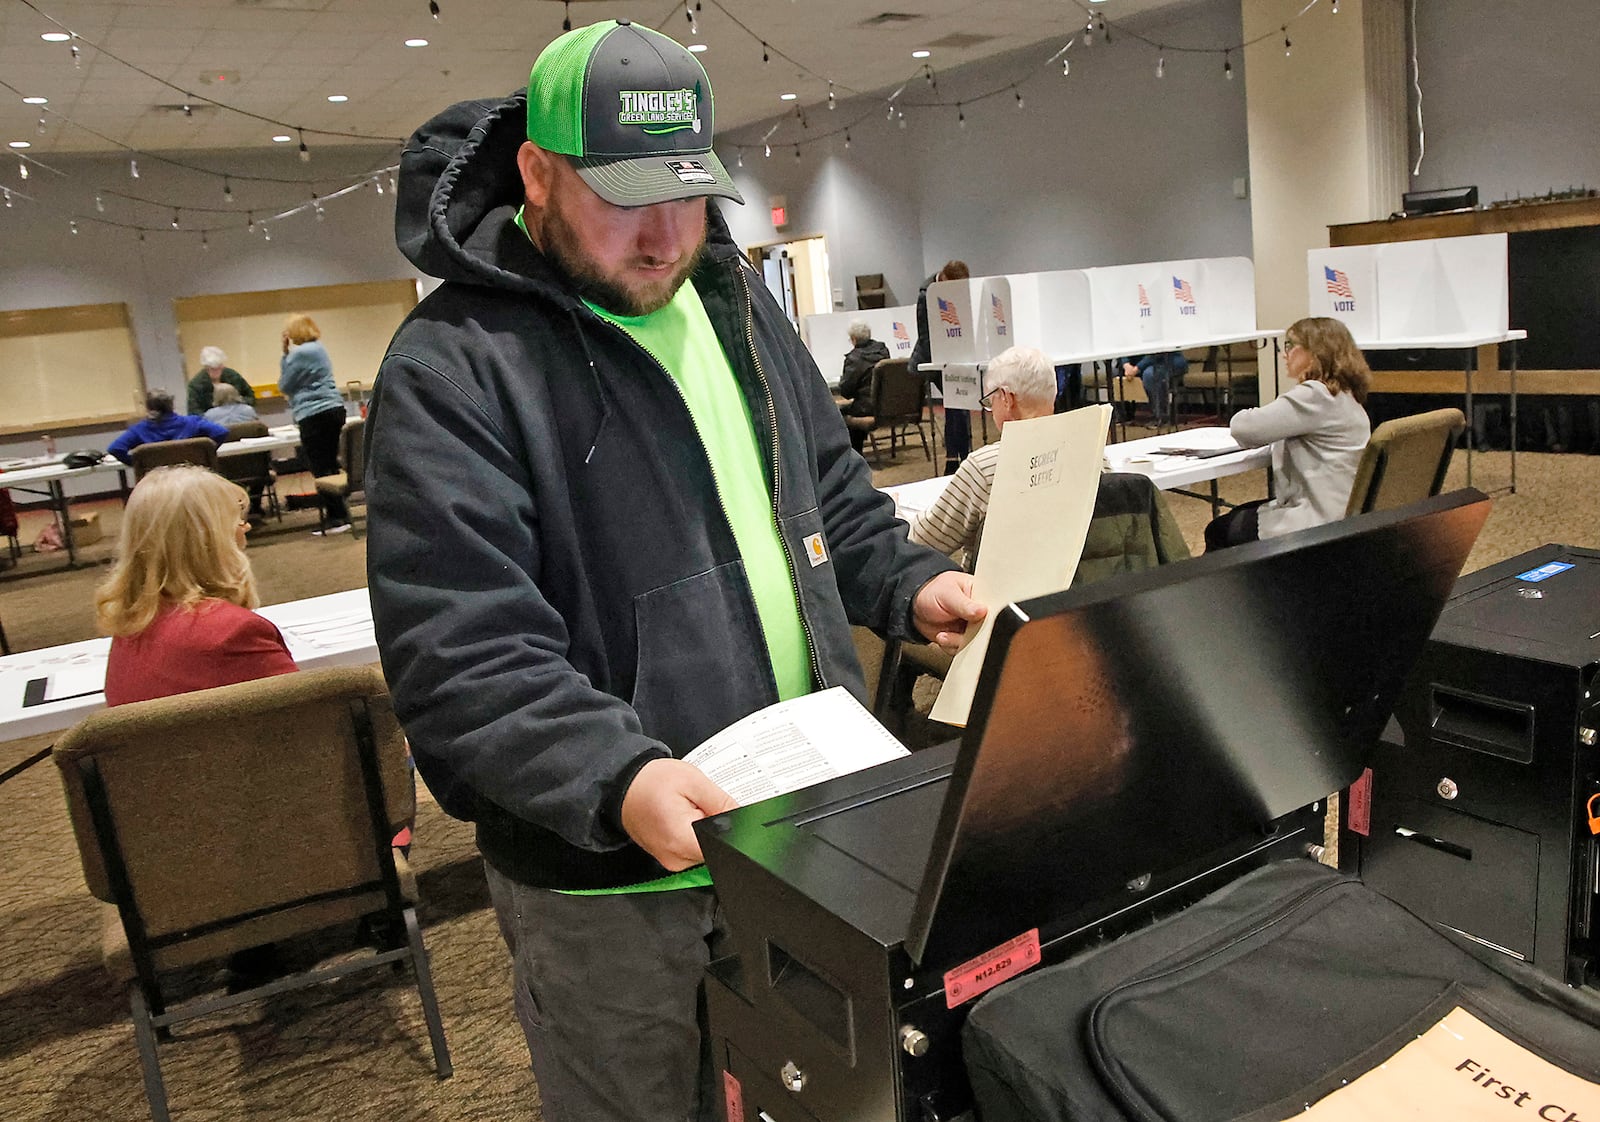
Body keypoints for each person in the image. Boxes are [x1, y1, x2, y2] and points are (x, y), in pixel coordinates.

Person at [364, 20, 983, 1122]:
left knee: (825, 1095)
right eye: (623, 198)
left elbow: (826, 495)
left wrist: (905, 580)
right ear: (537, 175)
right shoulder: (453, 367)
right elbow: (461, 650)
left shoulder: (732, 301)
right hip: (609, 881)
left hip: (801, 829)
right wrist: (617, 775)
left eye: (687, 196)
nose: (662, 238)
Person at [96, 465, 296, 706]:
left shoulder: (132, 622)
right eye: (237, 520)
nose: (247, 527)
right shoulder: (233, 632)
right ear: (209, 537)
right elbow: (312, 720)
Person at [1203, 317, 1372, 550]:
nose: (1285, 354)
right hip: (1345, 510)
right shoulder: (1345, 395)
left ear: (1316, 352)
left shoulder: (1315, 395)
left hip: (1318, 519)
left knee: (1219, 530)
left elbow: (1245, 429)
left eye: (1291, 345)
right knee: (1240, 514)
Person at [906, 345, 1058, 569]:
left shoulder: (985, 468)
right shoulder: (1092, 453)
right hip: (1080, 593)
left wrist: (896, 517)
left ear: (1006, 399)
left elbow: (922, 542)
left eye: (990, 401)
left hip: (998, 598)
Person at [277, 313, 352, 536]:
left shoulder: (300, 353)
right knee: (330, 463)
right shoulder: (319, 349)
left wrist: (284, 353)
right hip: (333, 409)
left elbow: (285, 384)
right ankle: (340, 513)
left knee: (319, 466)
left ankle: (337, 517)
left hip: (313, 413)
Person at [910, 259, 972, 474]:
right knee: (956, 404)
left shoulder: (955, 289)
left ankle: (959, 457)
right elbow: (925, 335)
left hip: (953, 356)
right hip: (931, 359)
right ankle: (956, 458)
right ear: (944, 278)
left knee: (960, 404)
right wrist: (943, 358)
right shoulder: (926, 294)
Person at [107, 389, 230, 465]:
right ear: (171, 405)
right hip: (193, 478)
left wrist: (138, 464)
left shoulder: (139, 430)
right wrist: (205, 454)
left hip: (156, 485)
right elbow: (221, 432)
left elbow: (115, 448)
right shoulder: (192, 422)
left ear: (149, 408)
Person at [836, 319, 889, 451]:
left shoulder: (854, 358)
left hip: (867, 408)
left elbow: (846, 391)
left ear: (853, 339)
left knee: (837, 413)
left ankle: (853, 453)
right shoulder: (883, 351)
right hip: (887, 405)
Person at [1118, 351, 1189, 427]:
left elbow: (1157, 353)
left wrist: (1137, 368)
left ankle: (1161, 417)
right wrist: (1126, 365)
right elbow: (1121, 347)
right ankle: (1124, 416)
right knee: (1114, 373)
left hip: (1167, 360)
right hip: (1138, 363)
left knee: (1150, 375)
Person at [187, 346, 256, 415]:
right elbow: (194, 410)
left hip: (239, 417)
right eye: (213, 369)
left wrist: (238, 405)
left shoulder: (233, 375)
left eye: (219, 367)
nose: (217, 371)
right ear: (206, 368)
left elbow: (250, 396)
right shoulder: (196, 385)